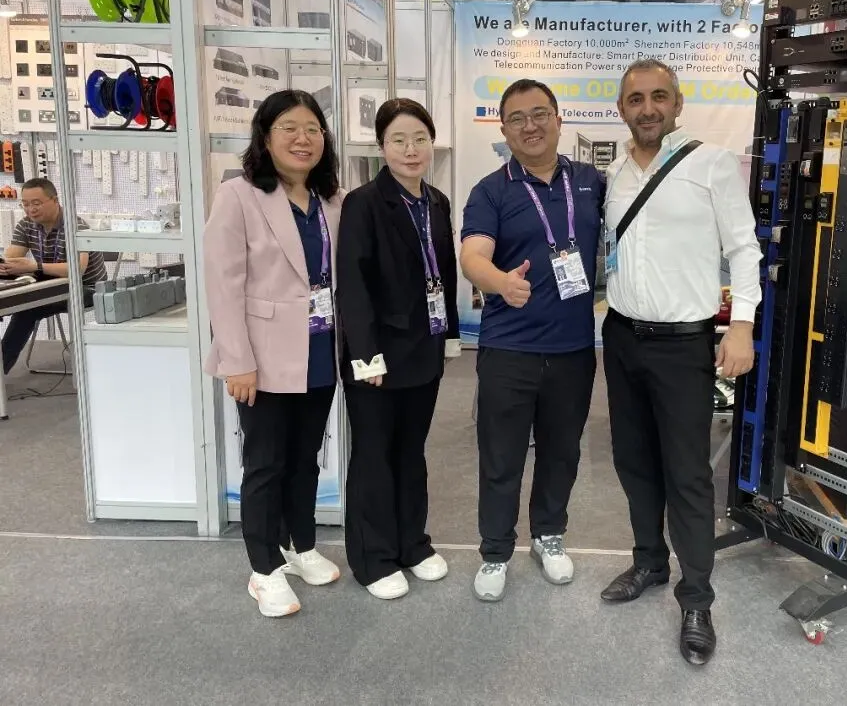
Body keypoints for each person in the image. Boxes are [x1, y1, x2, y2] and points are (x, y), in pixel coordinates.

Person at [599, 59, 762, 666]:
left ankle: (697, 600)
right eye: (636, 98)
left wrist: (741, 325)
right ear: (622, 108)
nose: (648, 108)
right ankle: (649, 562)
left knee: (688, 475)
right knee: (633, 460)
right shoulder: (614, 173)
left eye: (659, 96)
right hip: (621, 337)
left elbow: (744, 249)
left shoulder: (711, 164)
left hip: (683, 344)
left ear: (677, 102)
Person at [460, 79, 604, 602]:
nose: (530, 126)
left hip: (573, 350)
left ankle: (548, 535)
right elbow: (472, 255)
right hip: (510, 349)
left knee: (562, 453)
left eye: (540, 114)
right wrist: (500, 282)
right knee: (501, 456)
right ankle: (496, 551)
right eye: (517, 118)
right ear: (504, 130)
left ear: (558, 120)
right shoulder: (491, 190)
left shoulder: (590, 181)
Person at [203, 89, 344, 618]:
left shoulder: (332, 200)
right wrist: (236, 359)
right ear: (265, 137)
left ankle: (299, 545)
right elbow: (223, 284)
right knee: (265, 464)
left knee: (305, 458)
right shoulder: (238, 195)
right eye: (289, 128)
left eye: (312, 129)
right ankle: (263, 569)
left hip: (320, 349)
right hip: (260, 359)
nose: (303, 139)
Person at [337, 99, 460, 599]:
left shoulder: (437, 202)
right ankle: (373, 558)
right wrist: (366, 356)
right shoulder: (363, 203)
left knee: (411, 451)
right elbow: (353, 285)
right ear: (381, 147)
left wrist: (449, 335)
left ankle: (413, 543)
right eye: (398, 140)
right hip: (378, 356)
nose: (411, 150)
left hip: (423, 349)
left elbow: (444, 273)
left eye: (420, 139)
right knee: (374, 455)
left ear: (432, 143)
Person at [0, 177, 107, 373]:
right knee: (16, 303)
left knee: (27, 308)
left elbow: (78, 269)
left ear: (55, 200)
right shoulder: (26, 225)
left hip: (86, 288)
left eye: (36, 203)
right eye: (25, 204)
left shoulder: (76, 226)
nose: (30, 209)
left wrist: (35, 266)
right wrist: (6, 266)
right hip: (50, 285)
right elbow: (12, 256)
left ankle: (1, 369)